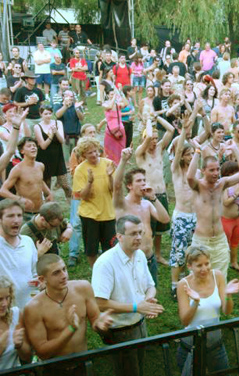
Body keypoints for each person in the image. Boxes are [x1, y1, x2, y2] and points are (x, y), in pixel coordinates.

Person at [92, 215, 164, 376]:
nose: (139, 238)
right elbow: (99, 303)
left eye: (140, 232)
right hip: (120, 332)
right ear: (119, 236)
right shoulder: (105, 263)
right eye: (133, 234)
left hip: (140, 324)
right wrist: (136, 307)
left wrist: (148, 300)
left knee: (139, 368)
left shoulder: (139, 255)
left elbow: (150, 286)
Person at [24, 254, 113, 371]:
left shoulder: (83, 288)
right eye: (56, 273)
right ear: (42, 279)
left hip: (83, 364)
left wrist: (100, 325)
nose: (64, 275)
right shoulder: (34, 308)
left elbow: (95, 321)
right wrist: (70, 329)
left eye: (64, 269)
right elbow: (42, 353)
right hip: (54, 370)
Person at [187, 140, 239, 279]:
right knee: (199, 278)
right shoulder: (198, 186)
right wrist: (197, 152)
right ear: (203, 171)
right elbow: (190, 176)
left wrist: (235, 149)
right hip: (202, 240)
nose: (216, 173)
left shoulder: (222, 183)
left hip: (220, 240)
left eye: (217, 169)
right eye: (211, 170)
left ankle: (220, 300)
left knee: (220, 277)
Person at [176, 245, 239, 374]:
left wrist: (228, 295)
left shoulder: (218, 276)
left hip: (215, 343)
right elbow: (185, 321)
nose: (204, 269)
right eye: (199, 265)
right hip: (191, 345)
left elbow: (227, 311)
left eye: (207, 263)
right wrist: (195, 302)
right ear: (190, 266)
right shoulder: (183, 285)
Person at [113, 147, 170, 284]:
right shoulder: (122, 204)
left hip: (149, 259)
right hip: (130, 261)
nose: (143, 183)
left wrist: (154, 198)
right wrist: (123, 160)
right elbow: (116, 185)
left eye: (144, 180)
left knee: (151, 295)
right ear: (129, 186)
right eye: (138, 181)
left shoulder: (147, 204)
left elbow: (165, 219)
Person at [72, 137, 116, 267]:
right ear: (84, 154)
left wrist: (109, 176)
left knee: (111, 249)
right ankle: (95, 271)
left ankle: (110, 271)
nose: (94, 154)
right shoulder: (80, 170)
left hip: (108, 214)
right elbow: (83, 196)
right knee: (91, 250)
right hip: (89, 215)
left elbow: (112, 189)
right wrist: (90, 182)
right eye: (90, 152)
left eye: (96, 151)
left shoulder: (108, 164)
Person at [0, 137, 53, 219]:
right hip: (25, 213)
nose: (33, 147)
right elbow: (3, 191)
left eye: (34, 146)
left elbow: (39, 181)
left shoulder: (40, 166)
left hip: (40, 212)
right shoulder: (18, 169)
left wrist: (49, 193)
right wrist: (19, 199)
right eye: (29, 146)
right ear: (22, 151)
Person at [0, 200, 38, 310]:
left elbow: (34, 273)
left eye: (19, 215)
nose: (16, 220)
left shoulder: (28, 242)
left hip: (28, 310)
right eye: (10, 216)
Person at [34, 105, 72, 200]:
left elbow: (62, 141)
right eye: (45, 114)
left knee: (65, 184)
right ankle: (48, 208)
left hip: (57, 157)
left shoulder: (57, 123)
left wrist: (56, 132)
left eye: (50, 113)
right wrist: (51, 135)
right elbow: (43, 146)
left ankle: (71, 202)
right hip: (44, 158)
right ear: (41, 114)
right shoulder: (37, 126)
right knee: (47, 186)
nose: (48, 116)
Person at [0, 275, 31, 370]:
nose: (4, 304)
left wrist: (20, 345)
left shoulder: (16, 315)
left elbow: (27, 358)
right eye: (0, 299)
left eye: (7, 298)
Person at [102, 88, 127, 164]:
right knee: (109, 146)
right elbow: (109, 107)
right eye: (111, 94)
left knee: (120, 146)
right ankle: (110, 162)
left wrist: (121, 93)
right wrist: (113, 98)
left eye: (114, 94)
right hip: (110, 129)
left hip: (120, 128)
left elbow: (126, 104)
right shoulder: (105, 104)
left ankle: (120, 161)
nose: (113, 95)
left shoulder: (118, 104)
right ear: (108, 95)